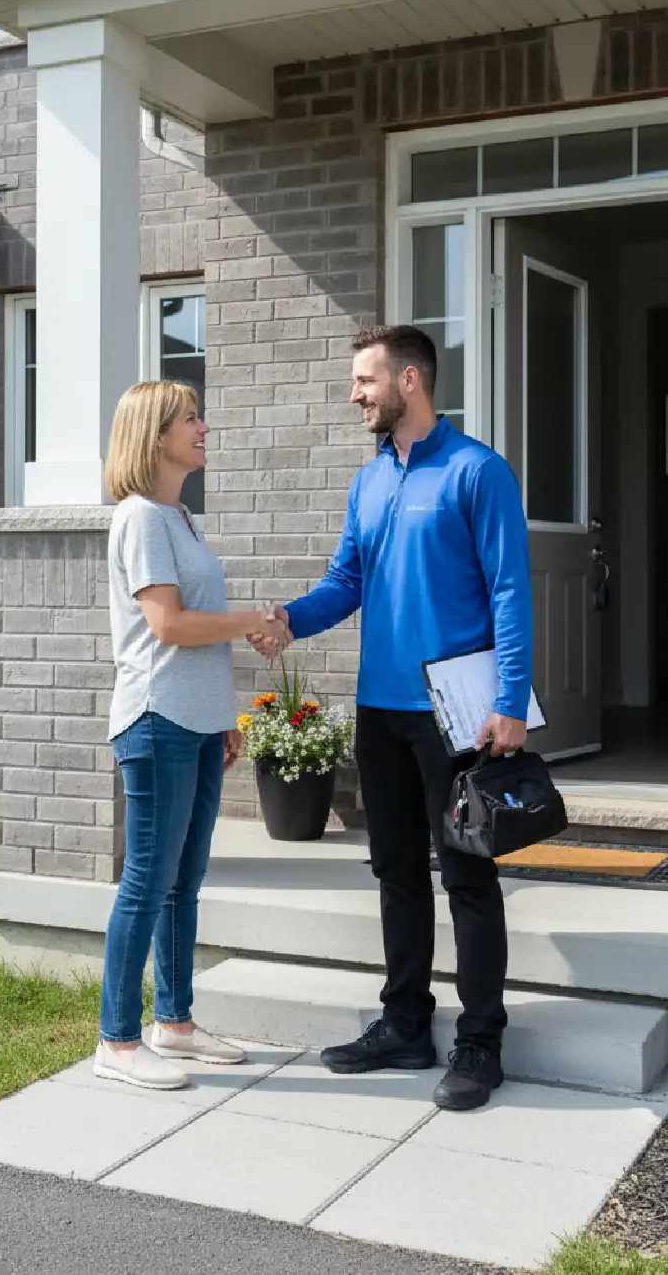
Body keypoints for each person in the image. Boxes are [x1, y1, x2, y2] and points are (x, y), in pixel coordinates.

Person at [252, 324, 532, 1112]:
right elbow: (347, 580)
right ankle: (406, 1023)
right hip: (380, 711)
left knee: (468, 877)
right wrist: (289, 620)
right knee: (396, 874)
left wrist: (511, 700)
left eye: (365, 380)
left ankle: (481, 1042)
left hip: (458, 716)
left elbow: (510, 590)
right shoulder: (369, 481)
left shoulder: (478, 472)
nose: (355, 394)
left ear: (410, 380)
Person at [95, 380, 276, 1090]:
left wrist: (224, 715)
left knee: (183, 881)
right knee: (146, 880)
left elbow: (193, 629)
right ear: (156, 436)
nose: (203, 427)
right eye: (190, 419)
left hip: (196, 721)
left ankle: (173, 1024)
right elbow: (167, 626)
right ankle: (116, 1041)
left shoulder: (181, 518)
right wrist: (249, 621)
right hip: (157, 718)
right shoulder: (140, 518)